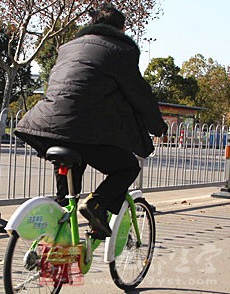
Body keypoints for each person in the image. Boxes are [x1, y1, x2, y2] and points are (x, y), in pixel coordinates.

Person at [14, 3, 167, 239]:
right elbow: (139, 94)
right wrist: (157, 126)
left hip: (46, 126)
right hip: (85, 131)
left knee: (67, 200)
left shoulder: (68, 48)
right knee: (127, 167)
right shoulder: (121, 50)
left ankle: (59, 243)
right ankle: (96, 205)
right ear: (121, 28)